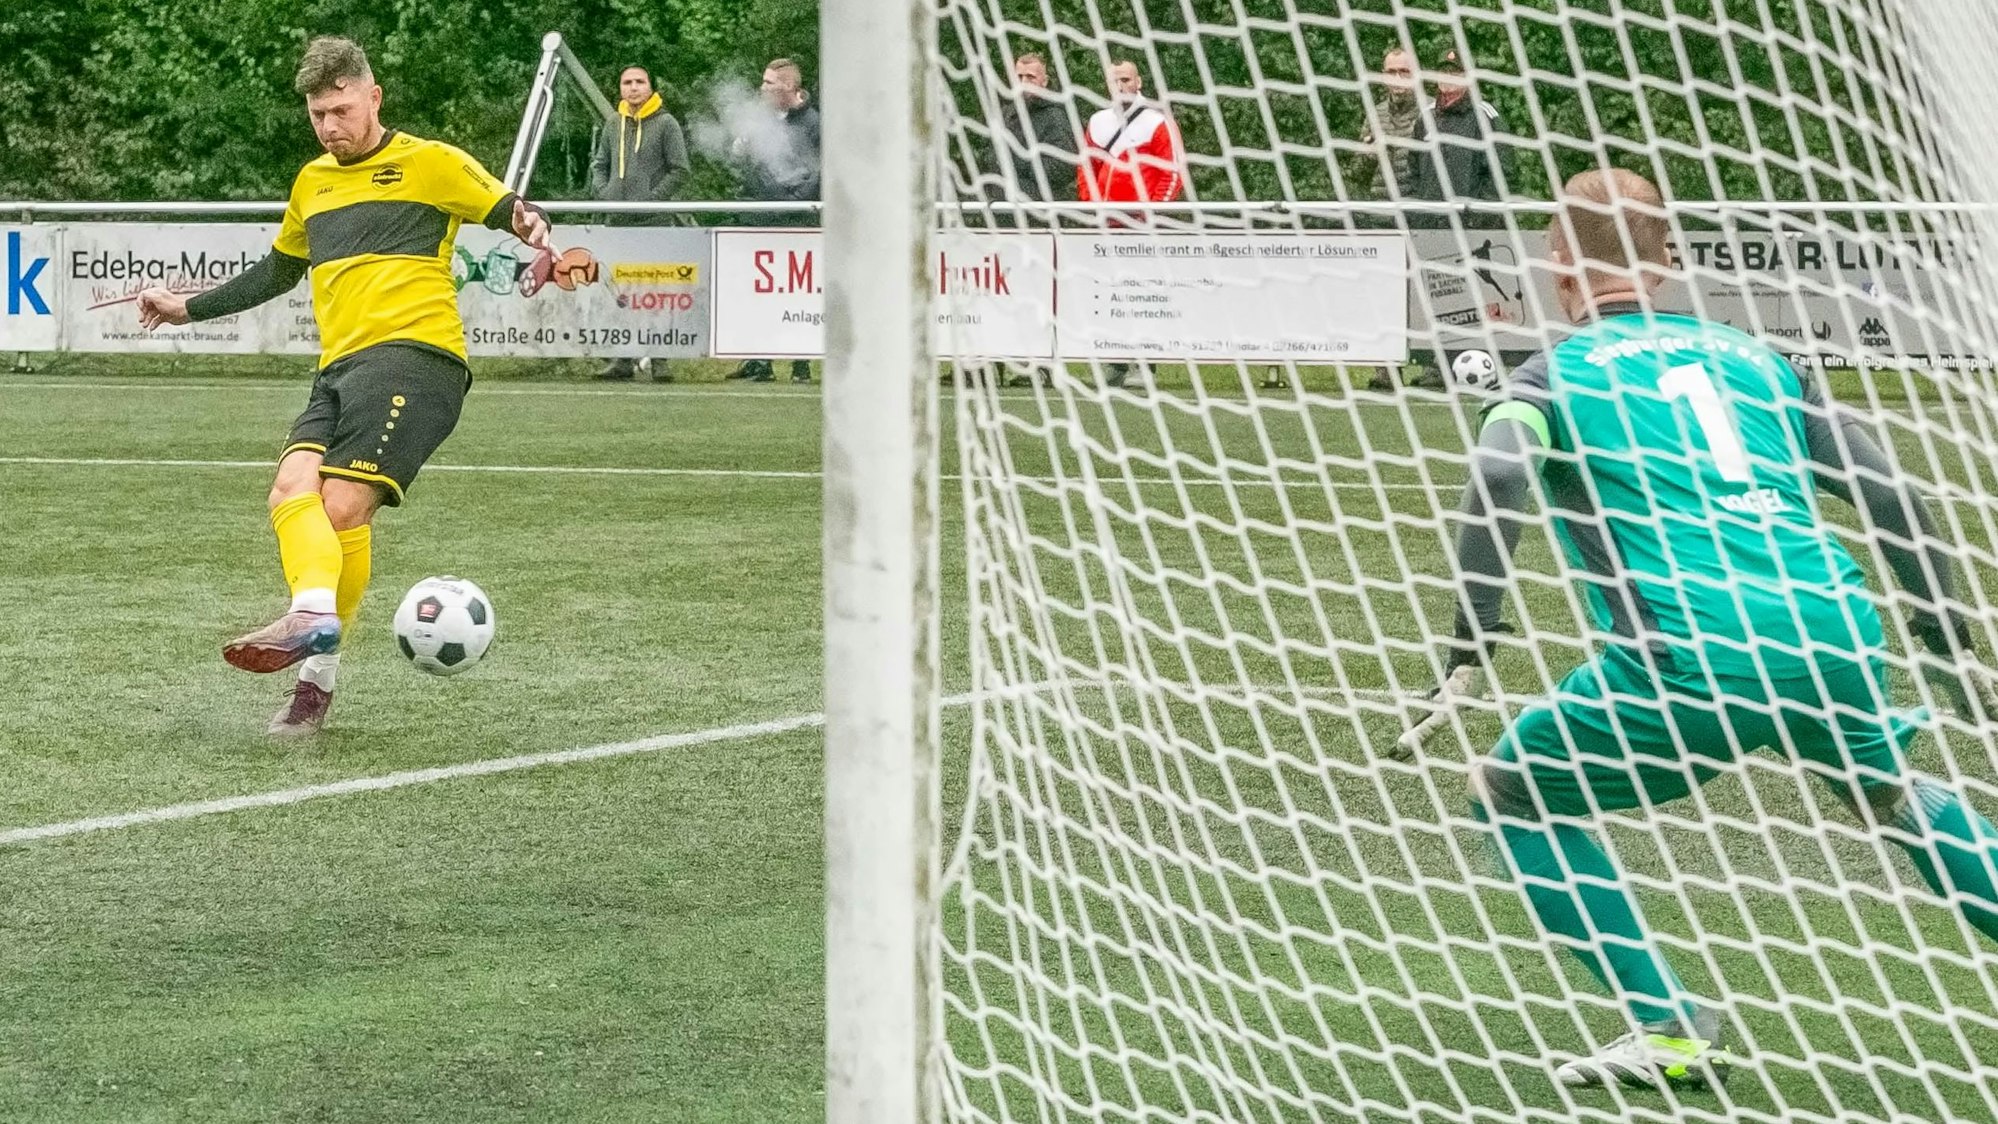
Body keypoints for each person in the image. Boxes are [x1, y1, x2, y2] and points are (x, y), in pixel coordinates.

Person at [1408, 168, 1998, 1090]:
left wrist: (1471, 646)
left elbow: (1498, 473)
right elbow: (1893, 492)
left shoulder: (1549, 376)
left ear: (1556, 268)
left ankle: (1672, 1024)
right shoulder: (1761, 360)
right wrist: (1944, 634)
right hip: (1834, 632)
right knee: (1895, 798)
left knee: (1509, 792)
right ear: (1672, 263)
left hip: (1692, 655)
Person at [135, 36, 552, 736]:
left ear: (373, 97)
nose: (331, 126)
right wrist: (187, 306)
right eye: (318, 114)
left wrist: (536, 231)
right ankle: (316, 659)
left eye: (341, 109)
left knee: (342, 505)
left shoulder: (431, 163)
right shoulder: (312, 182)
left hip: (416, 359)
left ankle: (311, 653)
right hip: (340, 367)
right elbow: (277, 270)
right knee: (291, 490)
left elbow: (511, 209)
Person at [1078, 59, 1183, 391]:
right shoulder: (1097, 122)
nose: (1120, 86)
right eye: (1114, 81)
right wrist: (1092, 208)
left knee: (1145, 294)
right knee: (1111, 294)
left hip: (1143, 226)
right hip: (1108, 225)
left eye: (1125, 79)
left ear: (1139, 82)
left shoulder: (1156, 122)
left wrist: (1152, 213)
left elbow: (1172, 172)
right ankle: (1117, 362)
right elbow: (1087, 170)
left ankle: (1146, 365)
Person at [590, 65, 689, 382]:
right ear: (620, 88)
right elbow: (599, 164)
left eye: (639, 82)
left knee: (656, 293)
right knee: (619, 293)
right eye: (627, 82)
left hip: (654, 224)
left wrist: (653, 199)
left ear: (650, 87)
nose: (633, 87)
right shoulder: (612, 124)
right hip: (617, 224)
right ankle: (622, 359)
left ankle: (660, 360)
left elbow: (680, 170)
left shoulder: (667, 124)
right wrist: (604, 193)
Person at [728, 57, 822, 385]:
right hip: (759, 215)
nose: (762, 88)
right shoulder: (758, 121)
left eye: (768, 83)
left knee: (799, 293)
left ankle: (801, 365)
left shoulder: (814, 123)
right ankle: (759, 362)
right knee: (758, 293)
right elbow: (744, 165)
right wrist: (738, 153)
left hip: (797, 221)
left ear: (787, 86)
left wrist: (795, 202)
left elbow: (821, 171)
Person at [990, 52, 1077, 201]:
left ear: (1044, 81)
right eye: (1019, 77)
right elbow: (991, 156)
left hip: (1039, 210)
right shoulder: (1006, 114)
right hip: (1003, 207)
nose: (1024, 83)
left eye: (1030, 77)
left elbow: (1063, 168)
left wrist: (1020, 161)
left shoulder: (1054, 117)